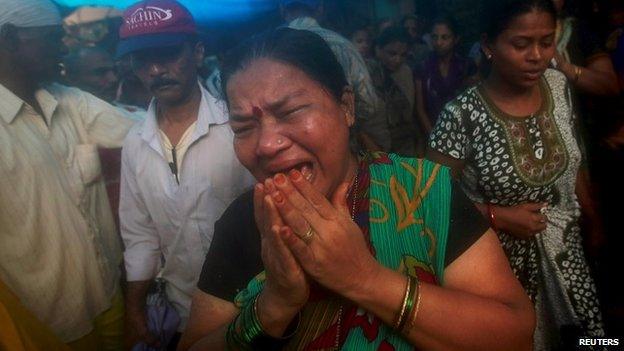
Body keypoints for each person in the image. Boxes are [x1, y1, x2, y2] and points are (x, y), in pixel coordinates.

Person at [178, 27, 535, 351]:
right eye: (243, 127)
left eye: (291, 112)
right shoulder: (243, 223)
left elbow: (515, 335)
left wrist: (364, 279)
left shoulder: (425, 191)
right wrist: (274, 305)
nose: (266, 145)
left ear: (346, 106)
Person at [426, 0, 606, 349]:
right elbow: (428, 199)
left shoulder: (558, 85)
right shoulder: (462, 115)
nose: (537, 56)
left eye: (546, 41)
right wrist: (496, 216)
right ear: (488, 46)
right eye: (521, 44)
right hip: (498, 273)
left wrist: (593, 220)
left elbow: (574, 156)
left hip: (568, 258)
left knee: (591, 342)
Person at [116, 0, 254, 348]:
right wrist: (134, 308)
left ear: (197, 52)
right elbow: (140, 235)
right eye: (142, 59)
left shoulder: (237, 125)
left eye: (168, 53)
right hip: (180, 307)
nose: (156, 69)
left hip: (252, 301)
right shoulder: (135, 143)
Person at [0, 0, 135, 349]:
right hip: (45, 323)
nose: (64, 45)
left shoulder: (69, 102)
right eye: (51, 37)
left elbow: (142, 132)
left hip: (107, 295)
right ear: (11, 38)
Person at [280, 0, 391, 153]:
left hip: (292, 151)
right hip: (342, 147)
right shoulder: (343, 46)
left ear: (282, 10)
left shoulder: (264, 51)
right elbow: (369, 104)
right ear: (320, 8)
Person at [415, 16, 476, 137]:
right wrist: (433, 137)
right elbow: (420, 108)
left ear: (455, 39)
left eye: (445, 37)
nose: (438, 42)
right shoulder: (422, 67)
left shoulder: (466, 66)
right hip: (432, 131)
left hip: (462, 133)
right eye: (434, 37)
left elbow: (473, 105)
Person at [367, 26, 418, 157]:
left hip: (405, 150)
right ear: (378, 50)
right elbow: (360, 124)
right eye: (392, 53)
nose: (398, 60)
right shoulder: (366, 74)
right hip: (374, 150)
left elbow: (413, 114)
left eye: (403, 55)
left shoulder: (406, 73)